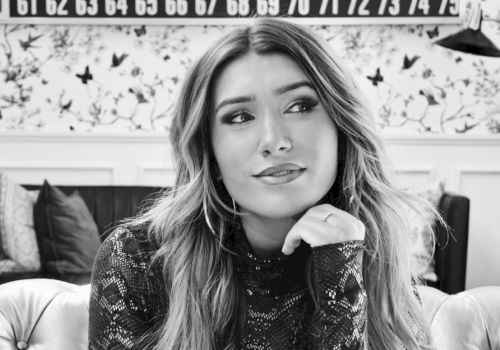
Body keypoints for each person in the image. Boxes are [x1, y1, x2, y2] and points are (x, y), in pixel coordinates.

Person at [89, 17, 436, 350]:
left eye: (299, 106)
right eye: (240, 117)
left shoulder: (376, 257)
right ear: (211, 153)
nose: (274, 140)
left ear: (341, 130)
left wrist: (340, 275)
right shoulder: (137, 259)